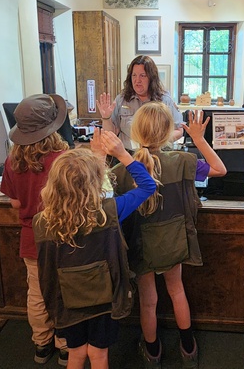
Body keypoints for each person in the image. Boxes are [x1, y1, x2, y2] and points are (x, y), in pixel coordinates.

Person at [112, 102, 226, 368]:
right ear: (167, 133)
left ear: (135, 131)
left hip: (140, 246)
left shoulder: (121, 170)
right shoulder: (183, 160)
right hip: (174, 241)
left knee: (148, 301)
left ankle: (152, 353)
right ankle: (188, 349)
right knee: (177, 291)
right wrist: (198, 139)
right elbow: (220, 170)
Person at [34, 129, 156, 369]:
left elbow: (45, 271)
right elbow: (147, 185)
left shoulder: (42, 222)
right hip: (104, 299)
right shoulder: (109, 211)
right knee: (99, 355)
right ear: (96, 181)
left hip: (67, 300)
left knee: (76, 353)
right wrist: (122, 155)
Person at [0, 93, 70, 366]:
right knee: (62, 293)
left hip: (31, 240)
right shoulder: (63, 159)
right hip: (61, 238)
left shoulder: (12, 162)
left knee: (37, 294)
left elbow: (16, 203)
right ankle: (64, 345)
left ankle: (41, 344)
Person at [98, 55, 184, 151]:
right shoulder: (121, 99)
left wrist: (158, 141)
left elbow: (179, 130)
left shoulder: (165, 100)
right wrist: (106, 118)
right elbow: (111, 133)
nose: (137, 80)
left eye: (142, 76)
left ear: (151, 78)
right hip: (126, 154)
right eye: (134, 75)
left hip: (156, 155)